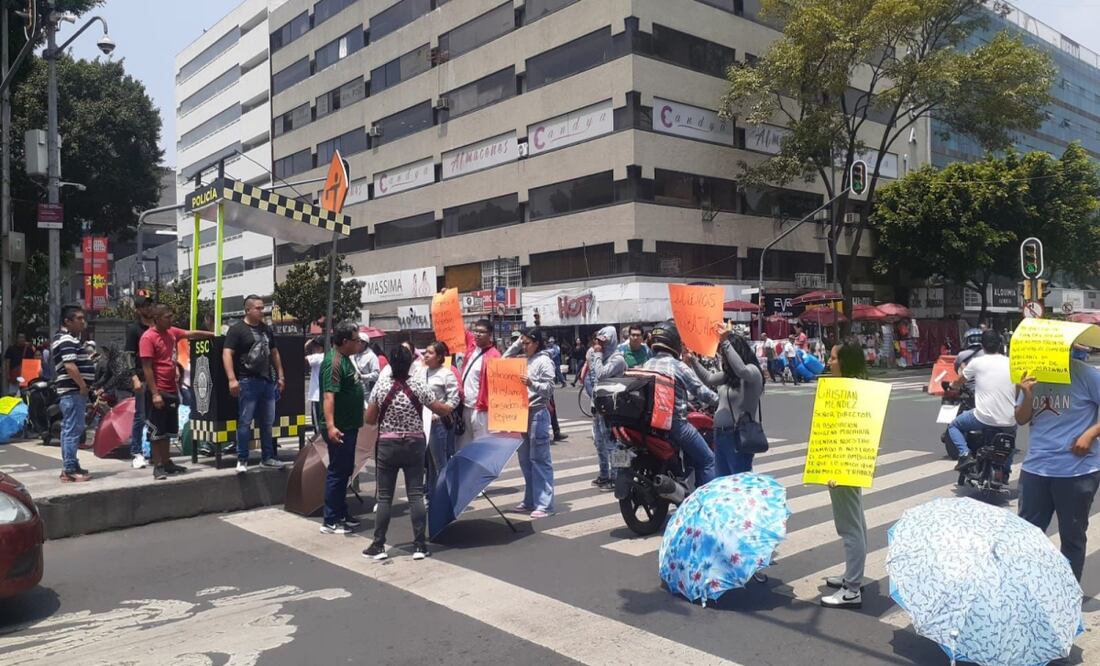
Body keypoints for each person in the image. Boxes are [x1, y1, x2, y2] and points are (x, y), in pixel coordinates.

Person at [363, 345, 452, 561]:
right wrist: (451, 405)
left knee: (385, 497)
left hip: (387, 445)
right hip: (414, 443)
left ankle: (378, 544)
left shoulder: (382, 385)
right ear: (411, 364)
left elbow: (369, 419)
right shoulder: (418, 384)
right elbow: (439, 408)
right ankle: (420, 545)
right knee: (415, 495)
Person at [1015, 357, 1100, 582]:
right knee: (1026, 535)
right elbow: (1021, 418)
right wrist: (1026, 393)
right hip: (1036, 468)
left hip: (1077, 471)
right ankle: (1028, 589)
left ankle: (1067, 593)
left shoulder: (1086, 373)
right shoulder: (1029, 374)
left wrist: (1090, 434)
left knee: (1072, 537)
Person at [820, 340, 871, 609]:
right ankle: (851, 577)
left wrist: (838, 469)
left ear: (845, 362)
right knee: (857, 522)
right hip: (846, 463)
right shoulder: (852, 389)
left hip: (846, 466)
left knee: (849, 527)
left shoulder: (850, 393)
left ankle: (852, 589)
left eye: (833, 358)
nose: (829, 362)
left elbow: (850, 435)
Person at [140, 305, 215, 480]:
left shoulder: (172, 332)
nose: (170, 320)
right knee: (157, 431)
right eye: (167, 317)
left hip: (172, 388)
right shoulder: (148, 338)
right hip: (158, 391)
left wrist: (214, 335)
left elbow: (191, 334)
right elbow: (147, 368)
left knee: (168, 430)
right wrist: (155, 393)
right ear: (156, 318)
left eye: (171, 316)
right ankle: (157, 465)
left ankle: (167, 462)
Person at [641, 321, 718, 488]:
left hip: (650, 424)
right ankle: (708, 501)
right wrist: (721, 401)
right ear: (674, 342)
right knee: (708, 460)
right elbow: (701, 392)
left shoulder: (647, 364)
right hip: (675, 425)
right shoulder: (678, 366)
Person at [688, 323, 765, 476]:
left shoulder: (752, 372)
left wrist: (725, 342)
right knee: (722, 480)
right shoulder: (729, 376)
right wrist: (692, 360)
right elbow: (709, 378)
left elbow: (741, 369)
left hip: (737, 436)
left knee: (738, 479)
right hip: (720, 434)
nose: (723, 357)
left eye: (724, 353)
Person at [223, 295, 287, 473]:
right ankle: (242, 459)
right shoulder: (237, 330)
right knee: (245, 422)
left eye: (262, 308)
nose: (262, 311)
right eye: (258, 308)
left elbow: (274, 353)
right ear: (248, 310)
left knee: (267, 422)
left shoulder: (266, 329)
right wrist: (231, 379)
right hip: (247, 381)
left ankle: (267, 457)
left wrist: (280, 376)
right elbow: (227, 353)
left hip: (267, 382)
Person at [503, 327, 557, 518]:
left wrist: (532, 384)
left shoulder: (544, 361)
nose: (524, 346)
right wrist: (517, 342)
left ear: (536, 343)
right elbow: (503, 361)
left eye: (527, 343)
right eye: (522, 343)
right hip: (520, 413)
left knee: (540, 459)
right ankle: (530, 499)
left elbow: (549, 390)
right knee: (525, 460)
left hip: (537, 413)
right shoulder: (523, 359)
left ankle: (545, 503)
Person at [318, 322, 365, 535]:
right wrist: (331, 425)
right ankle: (330, 519)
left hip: (350, 425)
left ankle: (342, 512)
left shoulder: (346, 359)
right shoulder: (334, 362)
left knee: (346, 470)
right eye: (356, 340)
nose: (359, 344)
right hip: (340, 427)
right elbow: (329, 395)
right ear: (345, 342)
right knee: (338, 471)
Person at [947, 330, 1016, 472]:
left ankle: (965, 454)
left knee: (954, 426)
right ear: (1000, 345)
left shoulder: (976, 362)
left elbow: (960, 381)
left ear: (982, 346)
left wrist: (951, 386)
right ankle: (1006, 471)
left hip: (983, 417)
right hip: (1009, 419)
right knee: (1010, 442)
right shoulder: (1013, 363)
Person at [53, 306, 95, 482]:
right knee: (72, 429)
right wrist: (83, 386)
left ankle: (72, 464)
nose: (82, 322)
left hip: (73, 391)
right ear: (67, 322)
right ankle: (70, 469)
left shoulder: (69, 339)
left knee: (70, 429)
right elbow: (70, 366)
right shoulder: (66, 339)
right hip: (73, 391)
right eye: (78, 318)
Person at [585, 326, 627, 489]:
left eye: (605, 342)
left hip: (613, 407)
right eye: (599, 341)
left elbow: (601, 374)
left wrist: (597, 354)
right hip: (598, 405)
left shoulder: (617, 359)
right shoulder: (597, 355)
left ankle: (619, 478)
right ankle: (604, 474)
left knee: (614, 444)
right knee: (599, 442)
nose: (601, 345)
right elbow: (593, 378)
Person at [420, 340, 460, 503]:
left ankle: (444, 496)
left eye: (430, 353)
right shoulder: (420, 372)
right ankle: (430, 494)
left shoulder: (446, 374)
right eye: (425, 353)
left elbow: (454, 398)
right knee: (428, 462)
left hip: (438, 424)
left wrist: (443, 411)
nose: (426, 356)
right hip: (422, 423)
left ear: (439, 357)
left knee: (439, 461)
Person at [456, 319, 501, 449]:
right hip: (465, 407)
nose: (478, 334)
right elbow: (461, 331)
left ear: (490, 334)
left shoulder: (494, 356)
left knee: (482, 448)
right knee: (464, 447)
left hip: (481, 410)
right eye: (476, 331)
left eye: (482, 332)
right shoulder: (471, 348)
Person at [123, 296, 156, 469]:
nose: (149, 308)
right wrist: (134, 377)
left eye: (151, 304)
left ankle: (153, 449)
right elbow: (128, 355)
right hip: (142, 377)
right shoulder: (134, 329)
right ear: (138, 309)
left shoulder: (158, 327)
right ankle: (137, 451)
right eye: (145, 305)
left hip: (159, 377)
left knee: (156, 416)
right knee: (141, 415)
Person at [354, 332, 380, 404]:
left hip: (367, 390)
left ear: (364, 343)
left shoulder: (371, 356)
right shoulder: (354, 355)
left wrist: (362, 377)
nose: (356, 343)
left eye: (358, 341)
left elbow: (376, 374)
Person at [305, 337, 325, 431]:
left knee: (317, 423)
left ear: (321, 348)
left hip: (316, 396)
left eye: (315, 347)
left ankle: (319, 442)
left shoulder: (318, 357)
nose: (313, 349)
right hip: (326, 395)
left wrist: (305, 346)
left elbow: (302, 358)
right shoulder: (329, 356)